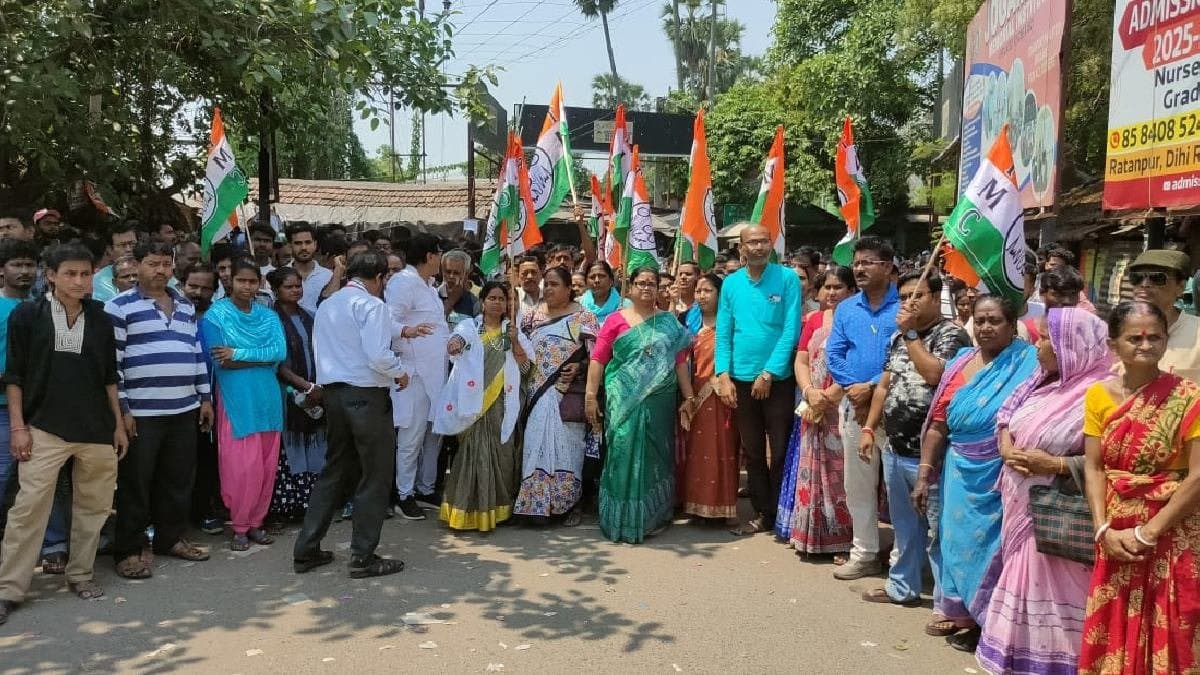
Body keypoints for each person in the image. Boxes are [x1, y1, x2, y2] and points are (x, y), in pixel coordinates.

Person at [974, 308, 1110, 674]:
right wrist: (1005, 445)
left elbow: (1111, 463)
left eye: (1047, 339)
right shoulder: (1041, 382)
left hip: (1059, 516)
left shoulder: (1103, 394)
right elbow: (1007, 414)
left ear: (1073, 346)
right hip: (1020, 508)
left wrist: (1055, 465)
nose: (1038, 346)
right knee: (1023, 590)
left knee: (1058, 601)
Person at [0, 244, 127, 625]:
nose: (79, 281)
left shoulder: (102, 318)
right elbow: (15, 376)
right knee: (28, 510)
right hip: (44, 428)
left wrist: (117, 424)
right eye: (69, 273)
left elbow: (109, 377)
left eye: (85, 273)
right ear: (50, 275)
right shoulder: (27, 315)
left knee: (94, 508)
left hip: (95, 428)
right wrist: (19, 428)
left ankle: (80, 575)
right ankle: (9, 590)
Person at [1076, 301, 1200, 673]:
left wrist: (1148, 532)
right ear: (1114, 344)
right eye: (1135, 338)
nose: (1146, 345)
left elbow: (1198, 476)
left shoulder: (1189, 398)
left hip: (1170, 530)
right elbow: (1094, 466)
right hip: (1115, 535)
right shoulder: (1097, 396)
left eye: (1155, 337)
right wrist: (1102, 530)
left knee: (1174, 620)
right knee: (1114, 621)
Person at [915, 295, 1040, 650]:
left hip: (1002, 471)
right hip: (958, 469)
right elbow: (939, 422)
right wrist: (925, 473)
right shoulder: (960, 362)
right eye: (980, 320)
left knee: (995, 547)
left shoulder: (1028, 363)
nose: (985, 328)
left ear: (1011, 324)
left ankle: (992, 624)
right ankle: (964, 615)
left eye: (994, 321)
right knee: (955, 541)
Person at [858, 272, 970, 606]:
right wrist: (869, 428)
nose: (910, 303)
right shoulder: (898, 338)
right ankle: (902, 587)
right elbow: (884, 385)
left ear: (937, 298)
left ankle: (945, 603)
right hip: (895, 447)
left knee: (937, 531)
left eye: (918, 295)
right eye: (905, 296)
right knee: (905, 527)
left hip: (931, 454)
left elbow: (935, 374)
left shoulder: (953, 335)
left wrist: (909, 334)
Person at [293, 251, 408, 578]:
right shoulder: (373, 306)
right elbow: (378, 355)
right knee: (375, 475)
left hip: (334, 395)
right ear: (381, 277)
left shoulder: (328, 305)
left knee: (335, 470)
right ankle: (362, 556)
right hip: (366, 396)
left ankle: (306, 548)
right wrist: (399, 372)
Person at [106, 242, 215, 579]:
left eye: (165, 264)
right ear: (136, 265)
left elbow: (196, 352)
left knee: (178, 479)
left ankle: (170, 538)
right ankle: (128, 549)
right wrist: (123, 409)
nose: (160, 271)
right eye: (152, 263)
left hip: (184, 407)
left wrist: (205, 398)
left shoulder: (183, 303)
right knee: (135, 484)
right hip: (142, 412)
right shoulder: (118, 307)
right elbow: (114, 365)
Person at [586, 267, 693, 543]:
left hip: (660, 400)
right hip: (623, 398)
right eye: (641, 283)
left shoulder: (669, 322)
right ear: (630, 287)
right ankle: (618, 518)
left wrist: (689, 398)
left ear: (659, 289)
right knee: (621, 451)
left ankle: (652, 516)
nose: (646, 288)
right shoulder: (614, 320)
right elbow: (598, 359)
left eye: (652, 283)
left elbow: (680, 362)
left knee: (656, 454)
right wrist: (590, 396)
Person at [714, 224, 802, 535]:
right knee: (752, 452)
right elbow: (724, 332)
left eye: (764, 241)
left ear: (772, 245)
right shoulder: (732, 284)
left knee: (779, 450)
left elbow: (791, 330)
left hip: (776, 380)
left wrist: (769, 372)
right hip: (740, 378)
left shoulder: (788, 279)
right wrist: (723, 373)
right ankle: (764, 514)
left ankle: (783, 513)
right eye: (752, 242)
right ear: (741, 247)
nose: (759, 247)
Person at [825, 236, 900, 579]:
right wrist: (855, 389)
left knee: (898, 485)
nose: (859, 268)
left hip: (897, 406)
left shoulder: (906, 306)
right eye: (857, 263)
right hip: (854, 408)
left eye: (868, 262)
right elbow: (834, 353)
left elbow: (902, 357)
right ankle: (865, 551)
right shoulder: (846, 308)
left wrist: (871, 386)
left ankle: (902, 558)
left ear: (887, 266)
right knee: (858, 484)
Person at [201, 259, 286, 551]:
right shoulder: (215, 315)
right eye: (242, 281)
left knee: (265, 464)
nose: (247, 287)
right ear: (230, 281)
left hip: (268, 397)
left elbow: (279, 352)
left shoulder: (269, 317)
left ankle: (256, 523)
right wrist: (260, 359)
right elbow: (219, 361)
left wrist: (238, 352)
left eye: (253, 282)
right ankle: (239, 525)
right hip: (236, 398)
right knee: (241, 466)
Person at [777, 267, 856, 554]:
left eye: (839, 287)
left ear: (851, 290)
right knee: (809, 469)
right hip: (812, 405)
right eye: (827, 287)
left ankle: (842, 539)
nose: (832, 293)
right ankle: (809, 535)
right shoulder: (813, 320)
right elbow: (801, 360)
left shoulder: (858, 320)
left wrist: (832, 395)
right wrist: (810, 391)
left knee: (841, 473)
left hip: (843, 406)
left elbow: (859, 362)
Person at [434, 282, 525, 532]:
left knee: (500, 455)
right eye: (492, 298)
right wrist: (455, 344)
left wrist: (516, 343)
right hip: (473, 404)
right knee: (472, 453)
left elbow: (527, 368)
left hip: (501, 405)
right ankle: (465, 511)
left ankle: (497, 511)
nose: (497, 302)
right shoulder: (470, 326)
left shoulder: (513, 331)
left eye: (502, 299)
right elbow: (458, 339)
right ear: (482, 301)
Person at [514, 266, 598, 525]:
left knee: (568, 451)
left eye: (554, 284)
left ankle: (566, 506)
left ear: (568, 288)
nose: (547, 289)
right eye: (545, 284)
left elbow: (598, 358)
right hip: (535, 395)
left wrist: (580, 367)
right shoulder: (530, 318)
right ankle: (534, 506)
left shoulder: (585, 318)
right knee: (533, 447)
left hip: (566, 397)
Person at [386, 233, 450, 519]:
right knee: (411, 437)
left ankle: (426, 488)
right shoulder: (403, 283)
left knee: (432, 435)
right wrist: (407, 335)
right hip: (412, 373)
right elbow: (388, 321)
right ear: (429, 256)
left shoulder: (428, 285)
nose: (441, 258)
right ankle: (404, 494)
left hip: (434, 374)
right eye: (439, 253)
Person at [678, 274, 740, 522]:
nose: (702, 295)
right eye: (699, 291)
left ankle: (723, 507)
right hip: (696, 396)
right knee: (697, 451)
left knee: (725, 449)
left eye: (708, 290)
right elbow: (682, 361)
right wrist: (688, 395)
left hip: (724, 394)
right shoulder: (689, 324)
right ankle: (696, 507)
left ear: (720, 293)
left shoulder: (731, 323)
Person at [267, 267, 326, 525]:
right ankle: (288, 505)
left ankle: (312, 503)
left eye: (298, 285)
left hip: (314, 388)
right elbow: (277, 362)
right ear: (276, 290)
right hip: (286, 390)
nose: (295, 290)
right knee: (289, 447)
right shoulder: (271, 319)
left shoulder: (309, 316)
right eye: (289, 286)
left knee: (315, 441)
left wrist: (316, 386)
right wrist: (304, 386)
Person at [181, 264, 224, 534]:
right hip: (176, 400)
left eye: (205, 287)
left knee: (207, 458)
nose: (198, 292)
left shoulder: (218, 318)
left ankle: (205, 510)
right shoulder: (171, 314)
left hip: (213, 398)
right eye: (192, 286)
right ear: (182, 284)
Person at [0, 240, 38, 516]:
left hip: (36, 405)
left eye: (30, 265)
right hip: (2, 405)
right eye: (17, 265)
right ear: (2, 270)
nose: (24, 271)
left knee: (37, 477)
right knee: (2, 472)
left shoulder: (44, 307)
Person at [1127, 249, 1200, 380]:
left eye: (1157, 278)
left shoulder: (1197, 333)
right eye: (1137, 278)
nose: (1145, 284)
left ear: (1180, 287)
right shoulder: (1120, 331)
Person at [287, 224, 334, 315]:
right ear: (290, 246)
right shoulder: (279, 275)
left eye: (308, 242)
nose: (303, 247)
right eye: (298, 243)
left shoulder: (329, 276)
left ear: (315, 245)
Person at [90, 222, 138, 302]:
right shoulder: (100, 279)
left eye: (132, 244)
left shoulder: (153, 270)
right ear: (110, 249)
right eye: (122, 245)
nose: (129, 249)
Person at [439, 249, 479, 328]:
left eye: (456, 273)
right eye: (448, 272)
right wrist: (451, 302)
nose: (451, 276)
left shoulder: (473, 302)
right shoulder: (433, 295)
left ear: (466, 274)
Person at [673, 261, 702, 332]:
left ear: (697, 277)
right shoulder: (670, 303)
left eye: (688, 274)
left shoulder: (703, 305)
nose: (683, 277)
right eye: (680, 274)